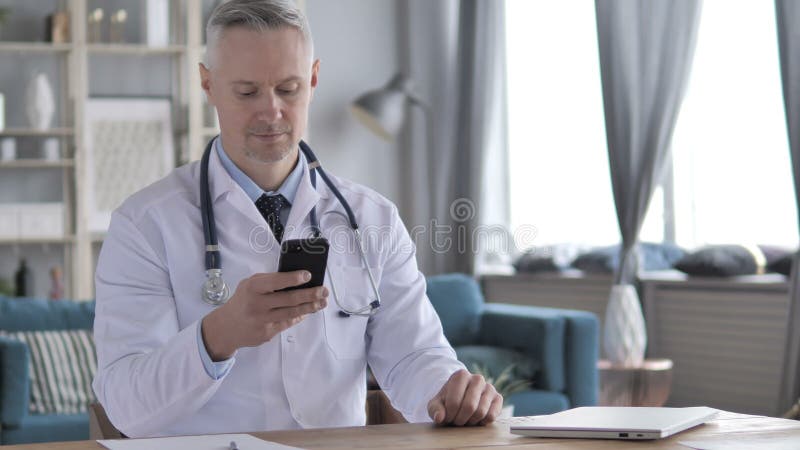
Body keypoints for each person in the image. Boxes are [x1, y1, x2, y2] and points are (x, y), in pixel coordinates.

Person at [92, 0, 502, 438]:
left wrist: (450, 392)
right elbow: (126, 407)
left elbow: (413, 356)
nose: (271, 112)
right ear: (207, 84)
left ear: (313, 79)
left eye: (288, 89)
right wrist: (218, 335)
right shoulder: (145, 225)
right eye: (247, 92)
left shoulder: (371, 217)